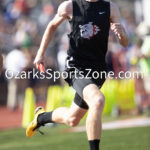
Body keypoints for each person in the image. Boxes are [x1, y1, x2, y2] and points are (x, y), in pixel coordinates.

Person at [26, 0, 129, 150]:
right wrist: (40, 54)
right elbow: (52, 26)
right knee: (98, 100)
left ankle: (40, 118)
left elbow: (125, 43)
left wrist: (122, 34)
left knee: (72, 119)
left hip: (97, 71)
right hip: (76, 67)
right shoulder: (70, 6)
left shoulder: (111, 8)